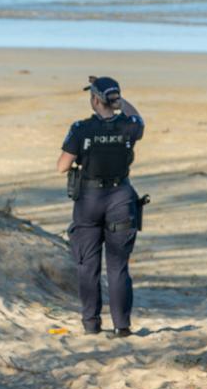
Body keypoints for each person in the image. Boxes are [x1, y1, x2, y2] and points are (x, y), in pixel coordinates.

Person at [57, 75, 145, 338]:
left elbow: (62, 166)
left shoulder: (81, 128)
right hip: (121, 198)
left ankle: (91, 324)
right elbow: (138, 119)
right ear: (114, 101)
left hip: (89, 201)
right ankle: (122, 326)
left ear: (95, 100)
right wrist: (119, 100)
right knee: (118, 266)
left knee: (87, 265)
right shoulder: (129, 126)